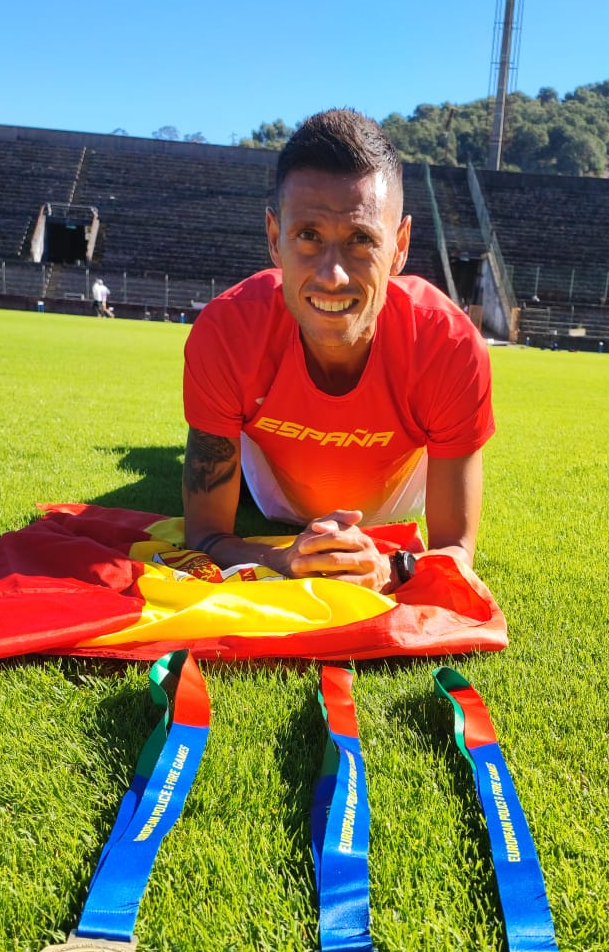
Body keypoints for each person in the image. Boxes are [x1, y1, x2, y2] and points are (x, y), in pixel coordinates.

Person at [181, 109, 493, 593]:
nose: (333, 276)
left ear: (400, 245)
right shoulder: (227, 330)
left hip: (397, 496)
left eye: (361, 240)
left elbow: (455, 550)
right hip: (273, 492)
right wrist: (284, 558)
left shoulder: (448, 343)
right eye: (308, 235)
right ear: (274, 238)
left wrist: (393, 567)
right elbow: (205, 533)